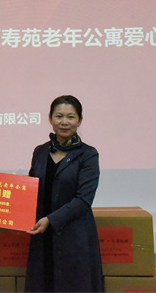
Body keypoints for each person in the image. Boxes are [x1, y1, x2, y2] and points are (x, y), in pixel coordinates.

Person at [25, 95, 104, 292]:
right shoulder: (40, 151)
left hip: (74, 235)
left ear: (80, 120)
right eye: (59, 116)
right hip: (42, 236)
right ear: (50, 119)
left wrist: (50, 220)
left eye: (71, 117)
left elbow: (83, 200)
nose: (64, 122)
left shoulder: (88, 154)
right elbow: (32, 188)